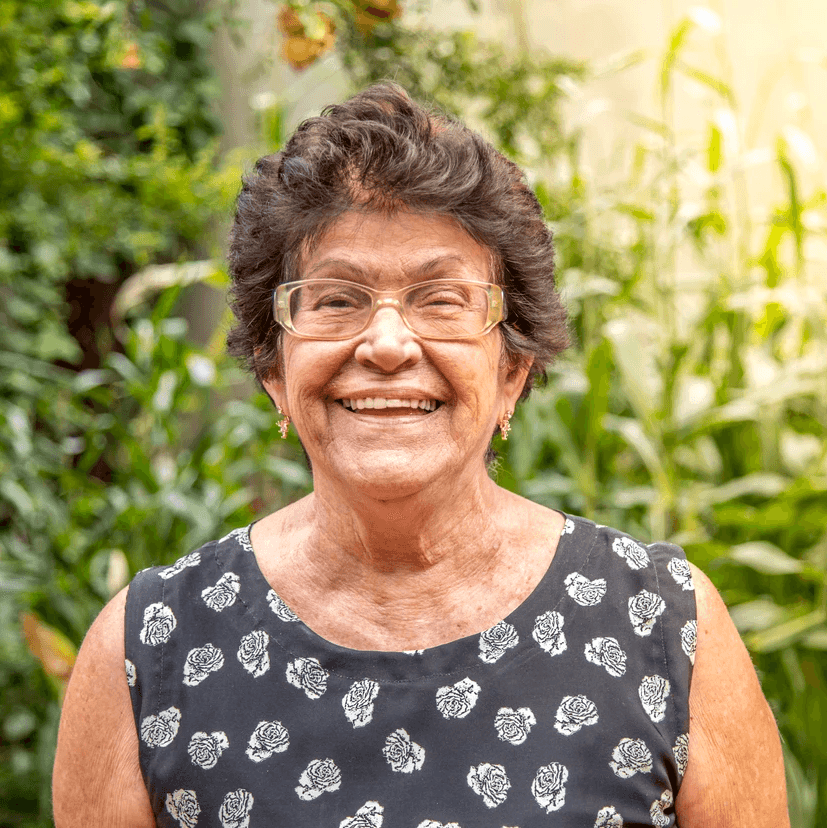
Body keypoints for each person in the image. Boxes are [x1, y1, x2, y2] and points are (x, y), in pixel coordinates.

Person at [53, 83, 789, 827]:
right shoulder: (149, 649)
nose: (387, 344)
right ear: (275, 370)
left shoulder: (661, 623)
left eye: (441, 299)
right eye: (337, 298)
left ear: (512, 371)